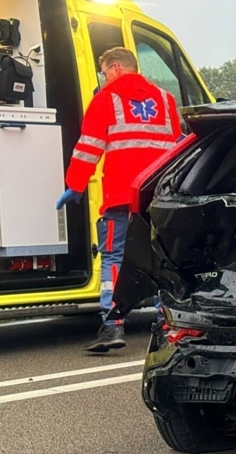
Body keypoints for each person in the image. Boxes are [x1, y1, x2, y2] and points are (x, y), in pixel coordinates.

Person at [56, 47, 181, 352]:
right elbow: (177, 148)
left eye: (104, 72)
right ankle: (166, 326)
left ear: (116, 68)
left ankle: (112, 326)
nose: (104, 78)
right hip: (159, 198)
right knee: (160, 260)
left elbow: (88, 148)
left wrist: (75, 185)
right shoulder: (166, 100)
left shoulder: (106, 99)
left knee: (115, 258)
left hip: (121, 198)